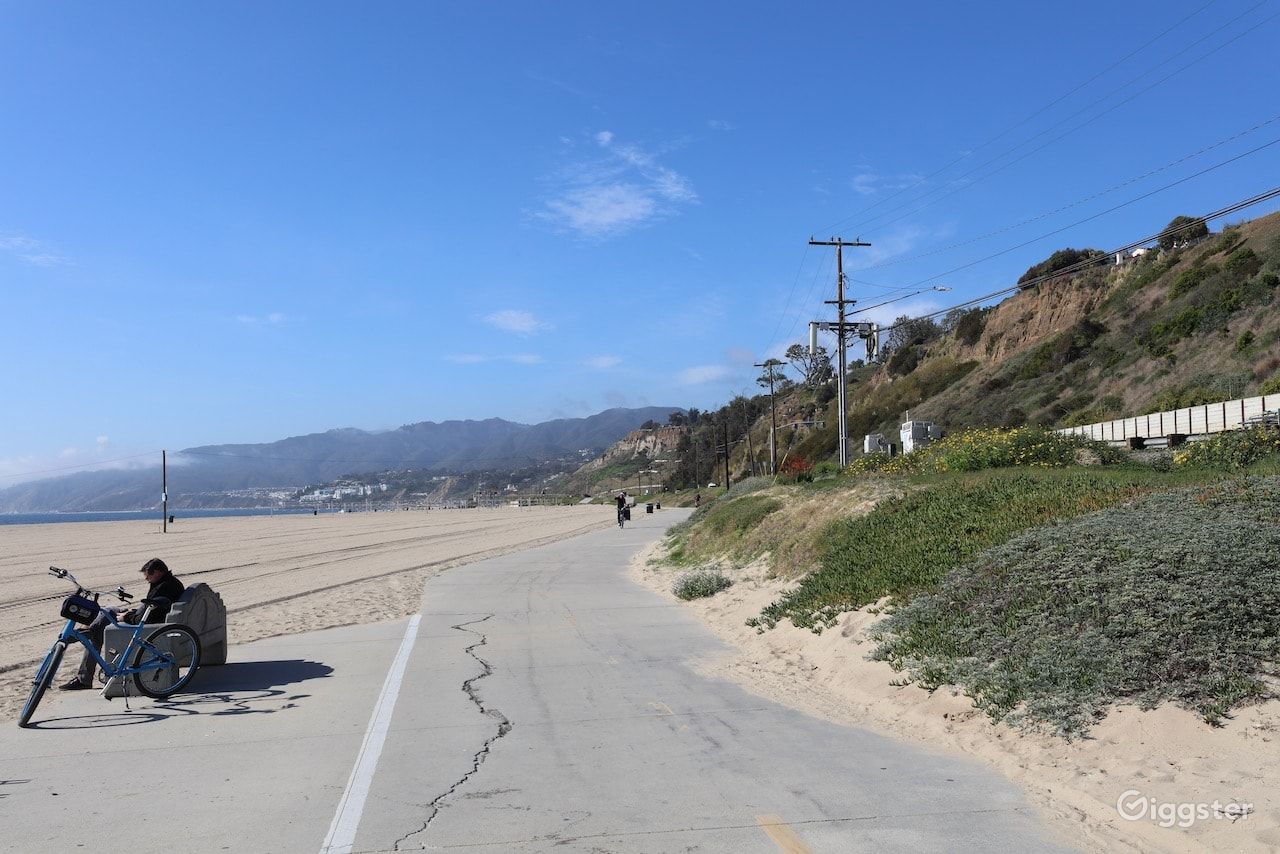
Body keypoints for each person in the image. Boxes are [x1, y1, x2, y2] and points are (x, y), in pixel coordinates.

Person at [61, 557, 185, 690]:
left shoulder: (164, 588)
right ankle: (88, 631)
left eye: (148, 575)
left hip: (145, 624)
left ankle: (84, 670)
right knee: (109, 610)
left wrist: (126, 618)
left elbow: (149, 618)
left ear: (158, 573)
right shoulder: (168, 583)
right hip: (143, 616)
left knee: (98, 631)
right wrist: (130, 613)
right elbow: (151, 610)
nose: (146, 578)